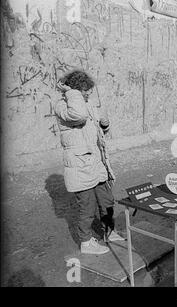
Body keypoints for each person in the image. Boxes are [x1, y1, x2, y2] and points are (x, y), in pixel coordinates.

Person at [54, 70, 124, 255]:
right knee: (87, 207)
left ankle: (109, 232)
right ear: (76, 89)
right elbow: (79, 116)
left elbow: (95, 131)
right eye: (84, 90)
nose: (88, 93)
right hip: (79, 166)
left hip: (95, 163)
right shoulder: (63, 105)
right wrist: (72, 92)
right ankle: (86, 242)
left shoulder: (87, 104)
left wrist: (104, 125)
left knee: (106, 201)